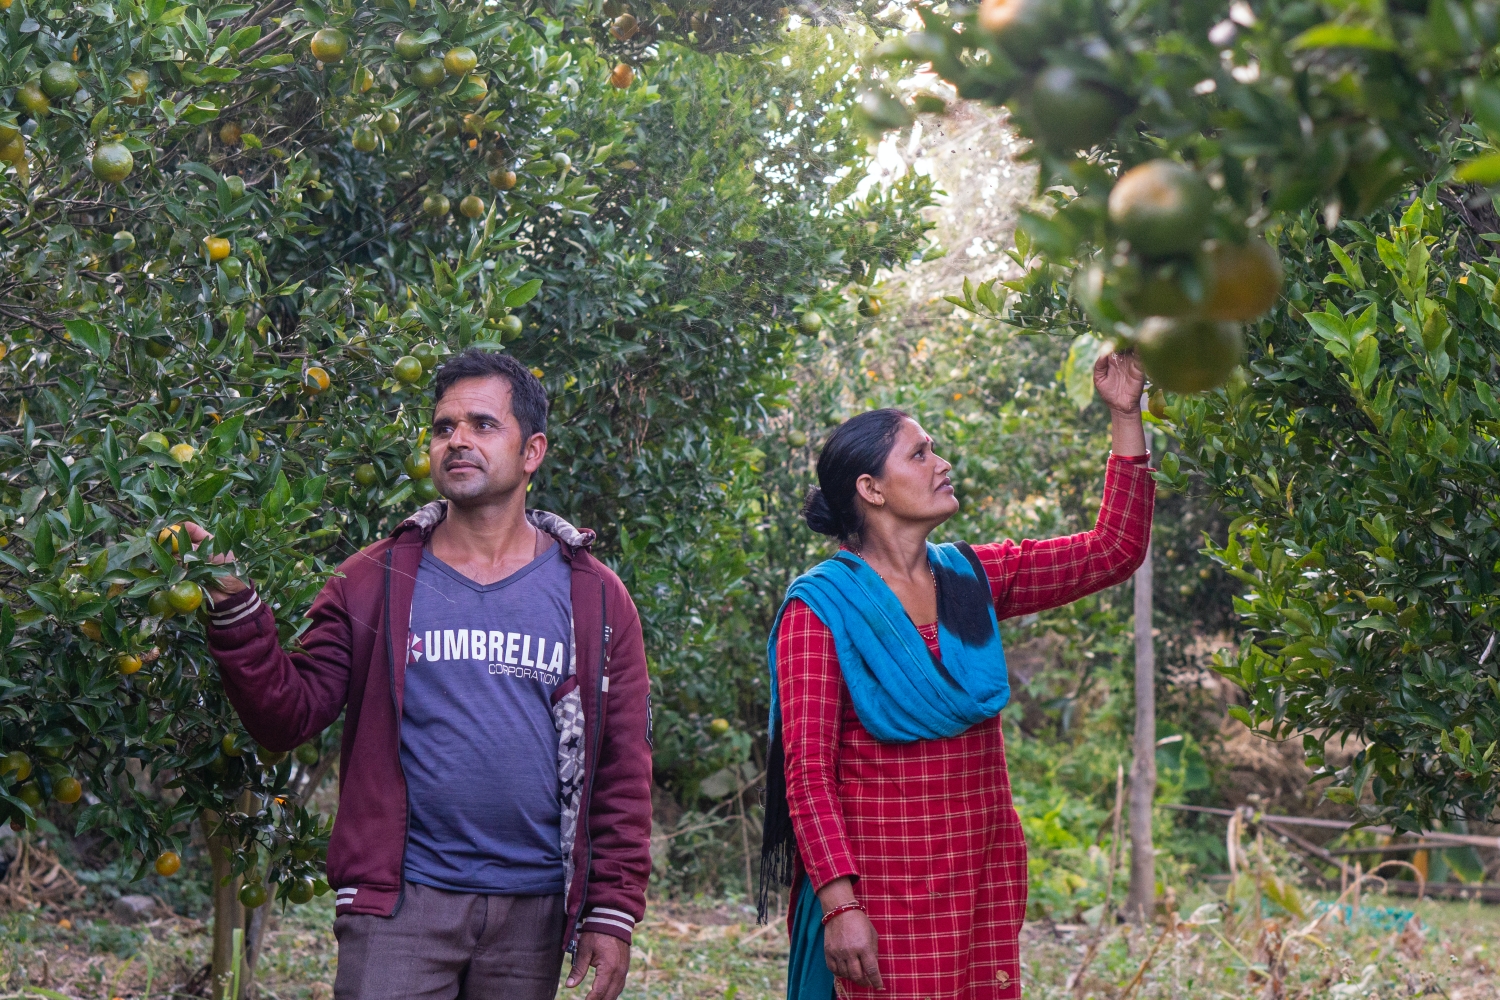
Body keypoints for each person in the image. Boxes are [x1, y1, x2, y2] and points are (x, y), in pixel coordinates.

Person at [188, 348, 652, 1000]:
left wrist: (612, 910)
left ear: (532, 451)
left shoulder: (595, 598)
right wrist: (236, 610)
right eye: (443, 427)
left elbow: (623, 766)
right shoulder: (371, 580)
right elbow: (286, 716)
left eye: (483, 424)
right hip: (399, 906)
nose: (457, 439)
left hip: (534, 910)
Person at [759, 349, 1156, 999]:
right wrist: (839, 904)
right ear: (871, 489)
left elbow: (1114, 550)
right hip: (884, 892)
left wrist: (1125, 413)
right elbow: (808, 773)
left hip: (979, 881)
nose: (942, 463)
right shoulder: (821, 610)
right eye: (920, 454)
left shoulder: (971, 577)